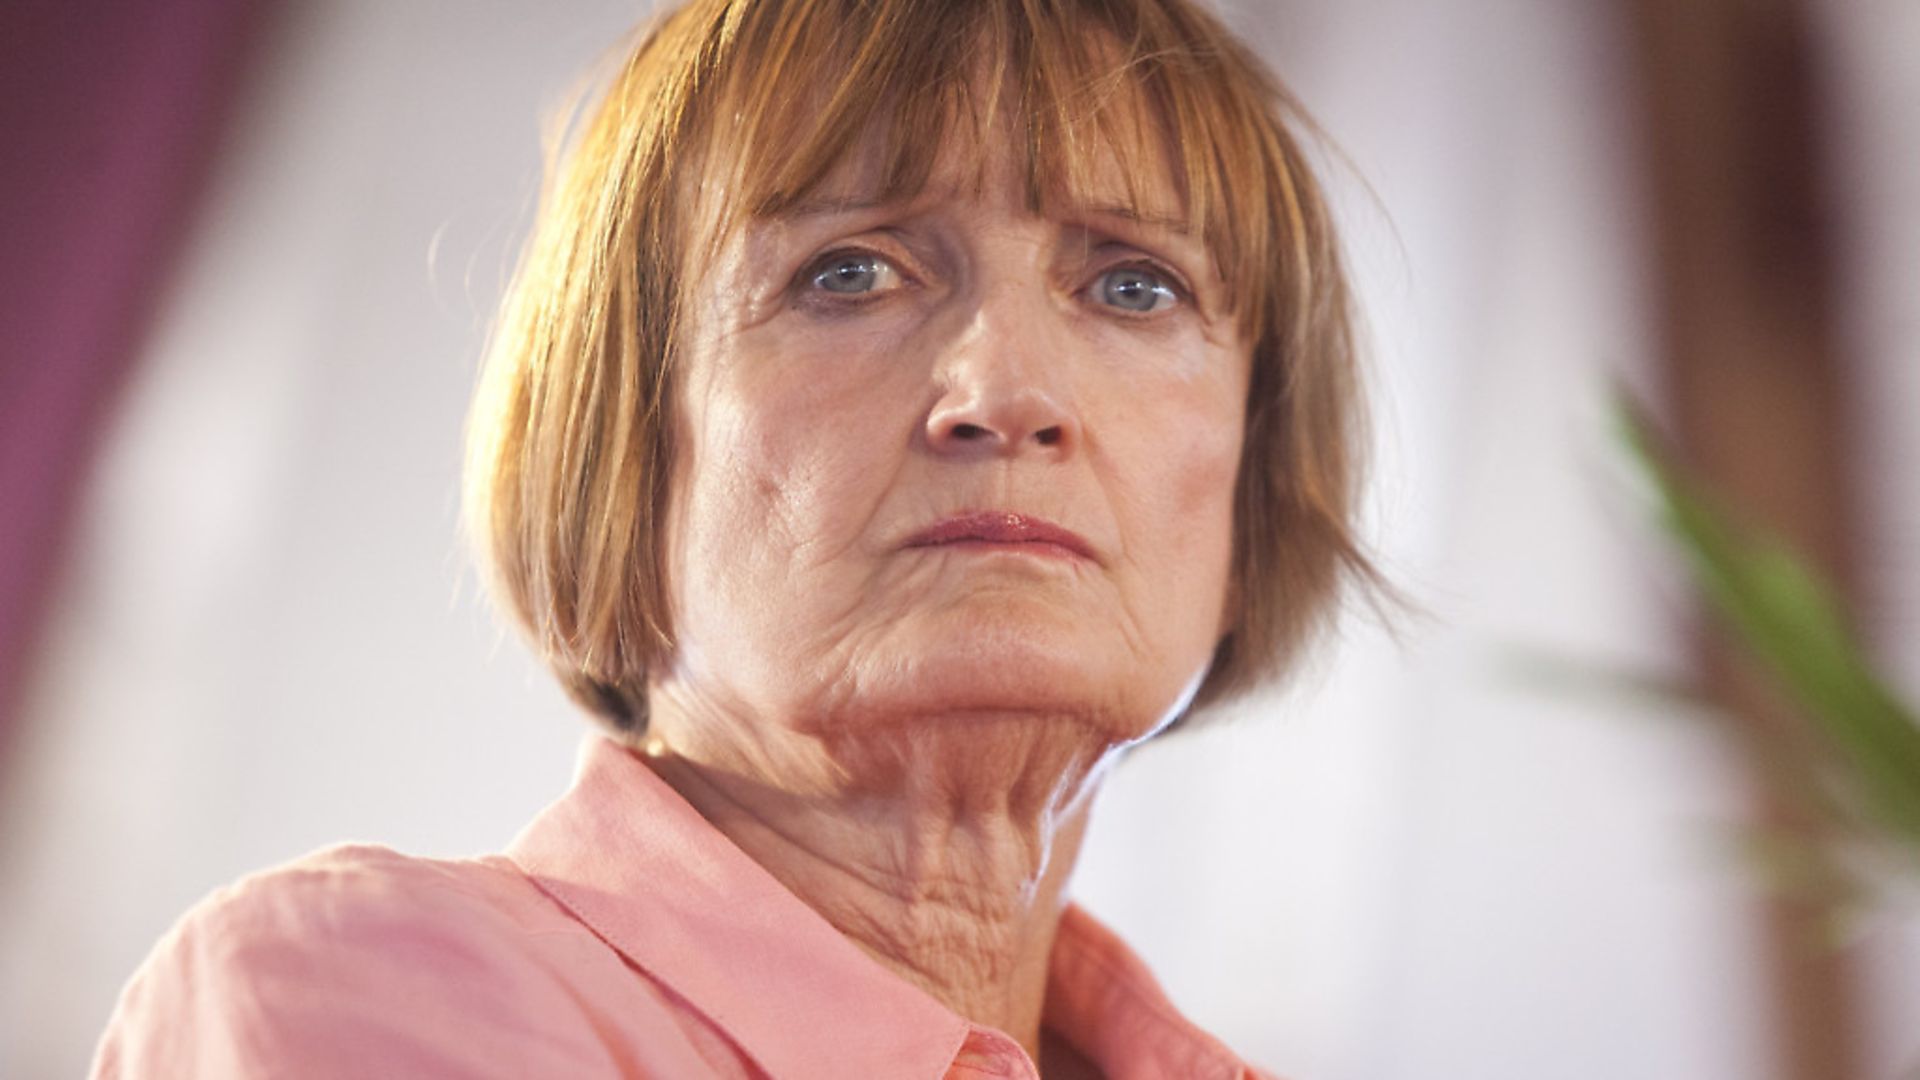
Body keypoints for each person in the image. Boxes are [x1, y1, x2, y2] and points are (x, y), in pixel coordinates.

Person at [92, 0, 1380, 1075]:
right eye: (851, 271)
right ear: (619, 449)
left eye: (1135, 286)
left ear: (1253, 484)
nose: (1007, 393)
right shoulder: (362, 988)